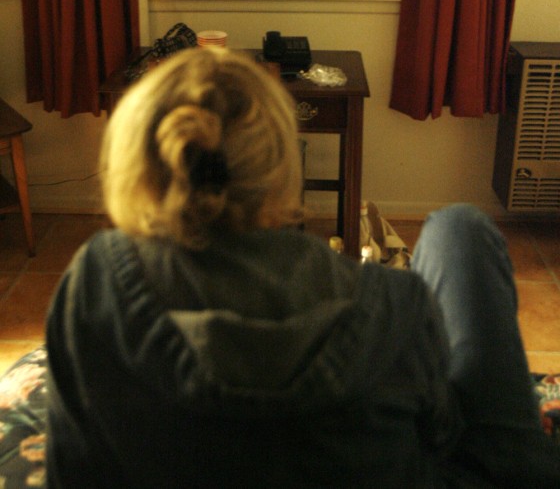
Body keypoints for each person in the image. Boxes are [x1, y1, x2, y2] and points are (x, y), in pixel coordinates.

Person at [45, 47, 560, 488]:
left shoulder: (93, 284)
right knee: (459, 229)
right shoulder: (396, 306)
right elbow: (443, 440)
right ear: (282, 166)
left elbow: (75, 473)